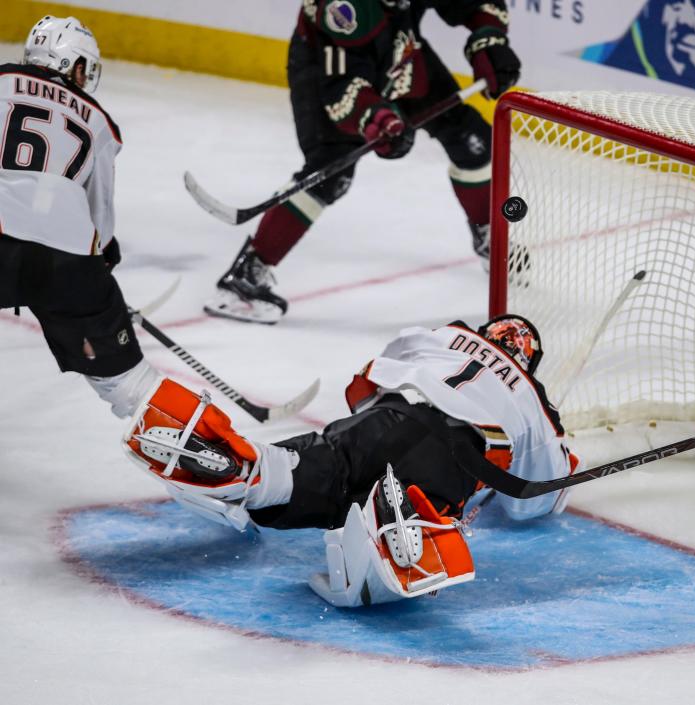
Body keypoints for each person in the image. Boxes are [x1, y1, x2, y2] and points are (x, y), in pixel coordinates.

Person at [123, 315, 576, 606]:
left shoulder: (449, 334)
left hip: (387, 417)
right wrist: (563, 467)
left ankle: (248, 469)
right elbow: (532, 501)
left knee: (314, 471)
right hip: (455, 456)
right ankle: (401, 518)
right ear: (528, 361)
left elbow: (382, 363)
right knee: (420, 513)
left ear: (488, 331)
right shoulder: (530, 395)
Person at [204, 0, 522, 324]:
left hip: (398, 45)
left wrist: (489, 38)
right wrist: (377, 120)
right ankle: (244, 280)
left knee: (471, 138)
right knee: (330, 171)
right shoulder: (344, 7)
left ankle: (488, 237)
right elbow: (343, 86)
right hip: (327, 67)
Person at [0, 16, 160, 419]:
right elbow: (100, 218)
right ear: (72, 65)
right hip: (67, 264)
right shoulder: (100, 122)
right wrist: (103, 257)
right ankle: (194, 451)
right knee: (128, 385)